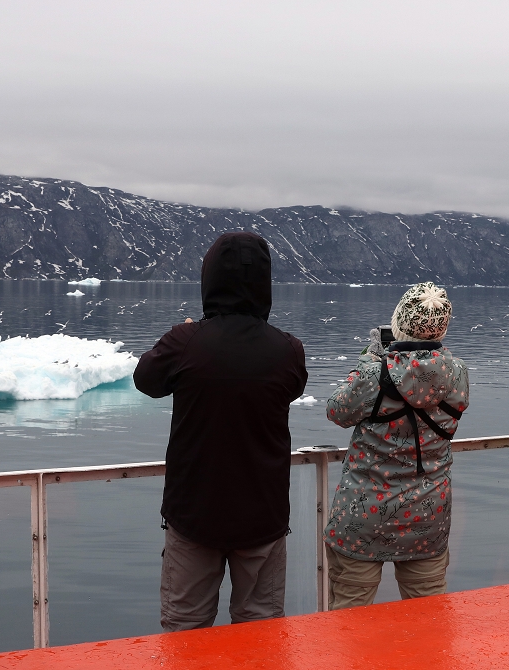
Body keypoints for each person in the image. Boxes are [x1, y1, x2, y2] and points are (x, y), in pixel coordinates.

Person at [134, 232, 307, 631]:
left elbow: (146, 379)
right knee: (259, 631)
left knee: (186, 630)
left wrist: (184, 332)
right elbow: (292, 387)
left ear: (208, 279)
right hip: (262, 514)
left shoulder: (186, 342)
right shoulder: (288, 349)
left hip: (195, 512)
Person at [323, 282, 469, 608]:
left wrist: (370, 358)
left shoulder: (374, 374)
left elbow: (337, 410)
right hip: (427, 518)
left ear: (400, 323)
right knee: (428, 620)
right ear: (441, 327)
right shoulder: (458, 373)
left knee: (349, 623)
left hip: (362, 518)